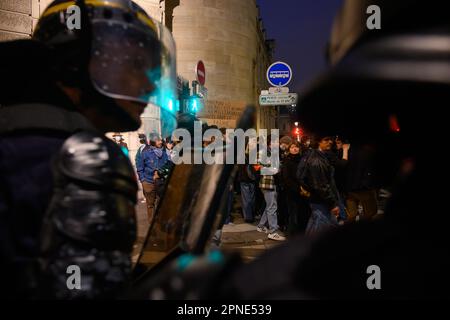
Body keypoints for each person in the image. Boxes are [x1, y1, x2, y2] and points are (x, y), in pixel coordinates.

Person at [0, 0, 177, 299]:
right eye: (134, 64)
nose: (148, 83)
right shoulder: (83, 156)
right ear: (76, 63)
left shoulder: (16, 131)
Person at [298, 135, 340, 235]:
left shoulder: (314, 155)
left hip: (317, 199)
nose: (330, 142)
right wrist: (333, 203)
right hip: (321, 200)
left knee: (315, 225)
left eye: (330, 139)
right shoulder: (317, 160)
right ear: (318, 142)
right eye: (326, 140)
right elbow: (321, 185)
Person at [256, 136, 285, 241]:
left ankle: (261, 225)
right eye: (276, 141)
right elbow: (260, 167)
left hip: (273, 183)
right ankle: (273, 232)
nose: (278, 143)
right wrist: (276, 169)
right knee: (272, 207)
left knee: (270, 206)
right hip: (267, 182)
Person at [137, 133, 169, 225]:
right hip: (148, 182)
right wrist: (143, 181)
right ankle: (151, 225)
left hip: (160, 182)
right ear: (153, 141)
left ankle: (159, 224)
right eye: (158, 140)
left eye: (160, 140)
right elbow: (140, 167)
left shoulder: (164, 152)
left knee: (161, 204)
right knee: (150, 205)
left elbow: (167, 164)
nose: (160, 142)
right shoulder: (145, 152)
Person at [281, 141, 310, 235]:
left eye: (296, 147)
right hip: (292, 192)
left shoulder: (303, 160)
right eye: (292, 147)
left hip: (304, 191)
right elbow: (286, 178)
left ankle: (302, 232)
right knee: (293, 213)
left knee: (303, 212)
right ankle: (293, 234)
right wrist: (298, 189)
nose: (295, 149)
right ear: (289, 149)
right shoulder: (287, 161)